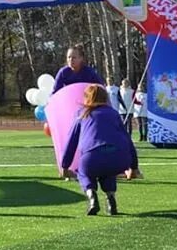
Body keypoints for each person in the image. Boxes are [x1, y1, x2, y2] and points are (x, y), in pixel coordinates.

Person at [60, 85, 141, 216]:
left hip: (92, 157)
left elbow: (71, 141)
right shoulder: (113, 114)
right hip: (120, 159)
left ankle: (92, 196)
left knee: (83, 172)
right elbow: (128, 140)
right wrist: (134, 167)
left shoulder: (81, 113)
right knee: (108, 169)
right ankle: (111, 199)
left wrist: (64, 165)